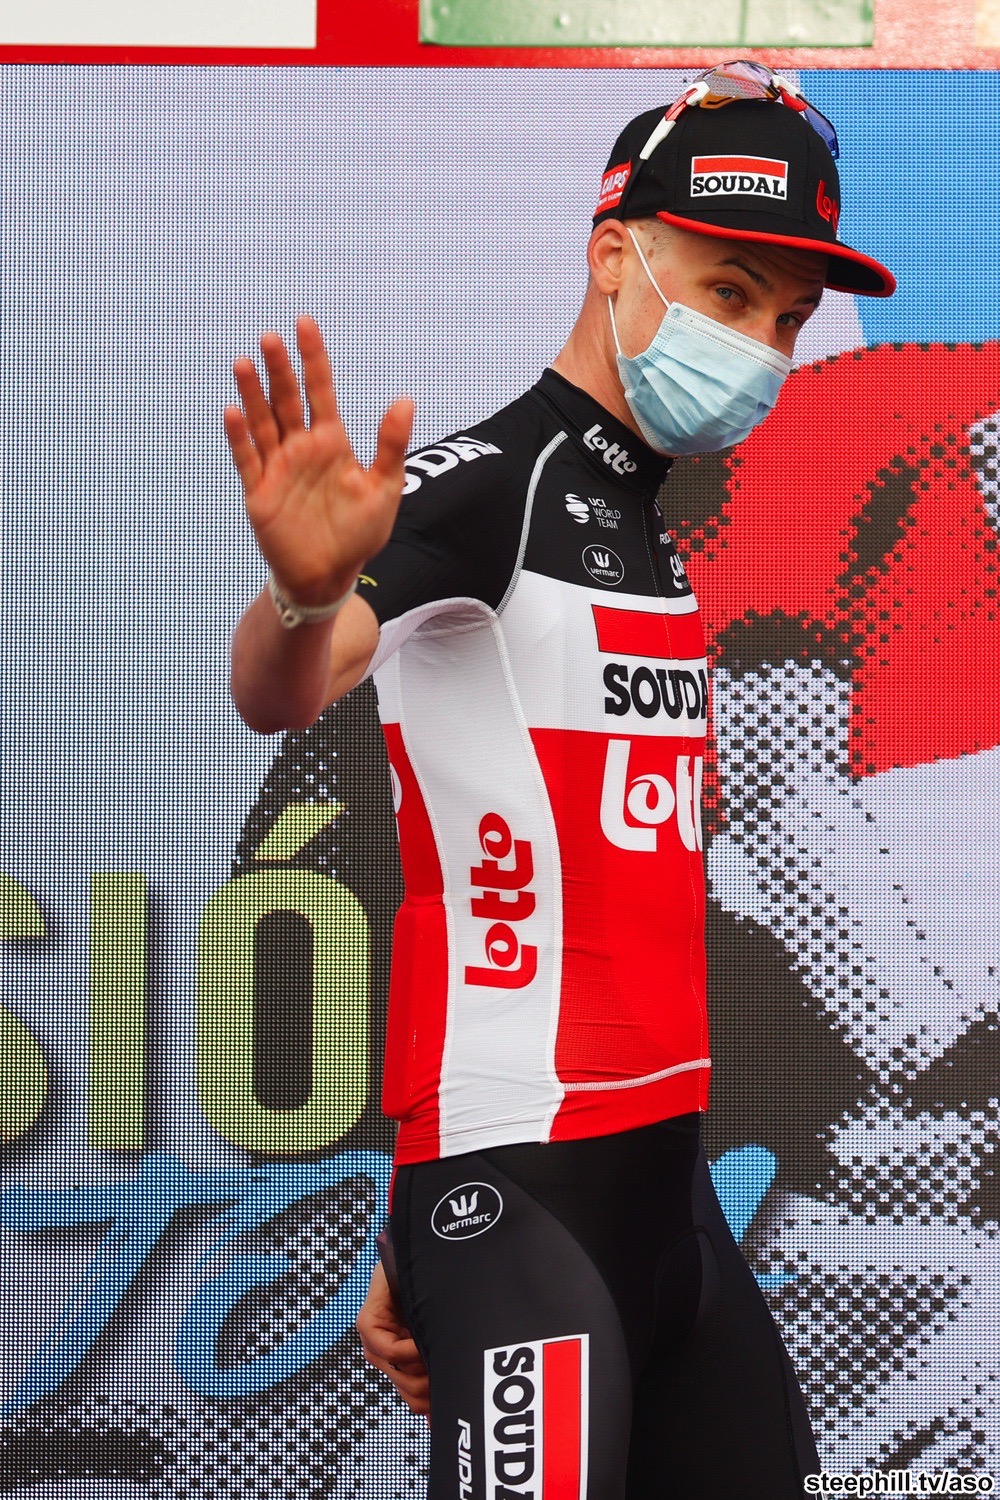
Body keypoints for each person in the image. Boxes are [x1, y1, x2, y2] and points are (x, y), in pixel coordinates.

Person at [227, 61, 895, 1499]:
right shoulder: (490, 482)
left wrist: (421, 1222)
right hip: (522, 1204)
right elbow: (281, 688)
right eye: (729, 293)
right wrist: (298, 596)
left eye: (787, 319)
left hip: (669, 1202)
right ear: (613, 256)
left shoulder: (654, 527)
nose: (761, 348)